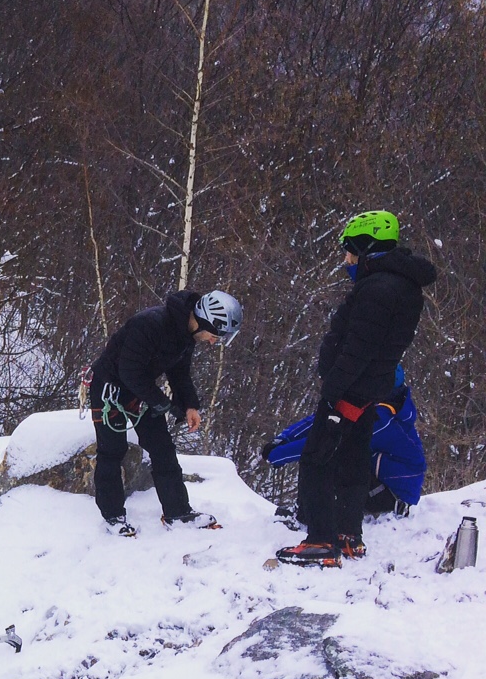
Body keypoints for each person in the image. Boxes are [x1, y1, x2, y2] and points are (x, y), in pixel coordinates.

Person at [275, 211, 436, 567]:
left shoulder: (378, 288)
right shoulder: (402, 285)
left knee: (318, 459)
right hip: (372, 389)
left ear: (366, 246)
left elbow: (358, 347)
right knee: (353, 458)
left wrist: (332, 389)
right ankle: (349, 536)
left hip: (350, 389)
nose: (347, 258)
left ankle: (319, 540)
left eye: (350, 249)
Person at [86, 289, 243, 536]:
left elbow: (179, 373)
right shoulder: (150, 325)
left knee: (163, 448)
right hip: (108, 387)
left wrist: (190, 405)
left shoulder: (186, 335)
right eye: (215, 335)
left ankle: (177, 512)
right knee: (113, 450)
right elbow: (128, 371)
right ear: (203, 321)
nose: (214, 342)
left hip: (140, 389)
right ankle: (113, 516)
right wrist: (160, 402)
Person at [264, 365, 426, 520]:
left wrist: (280, 454)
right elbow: (322, 419)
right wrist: (284, 438)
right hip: (382, 483)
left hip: (391, 496)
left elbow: (329, 439)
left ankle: (305, 517)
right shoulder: (381, 406)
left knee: (328, 455)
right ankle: (310, 512)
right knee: (338, 453)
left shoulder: (381, 419)